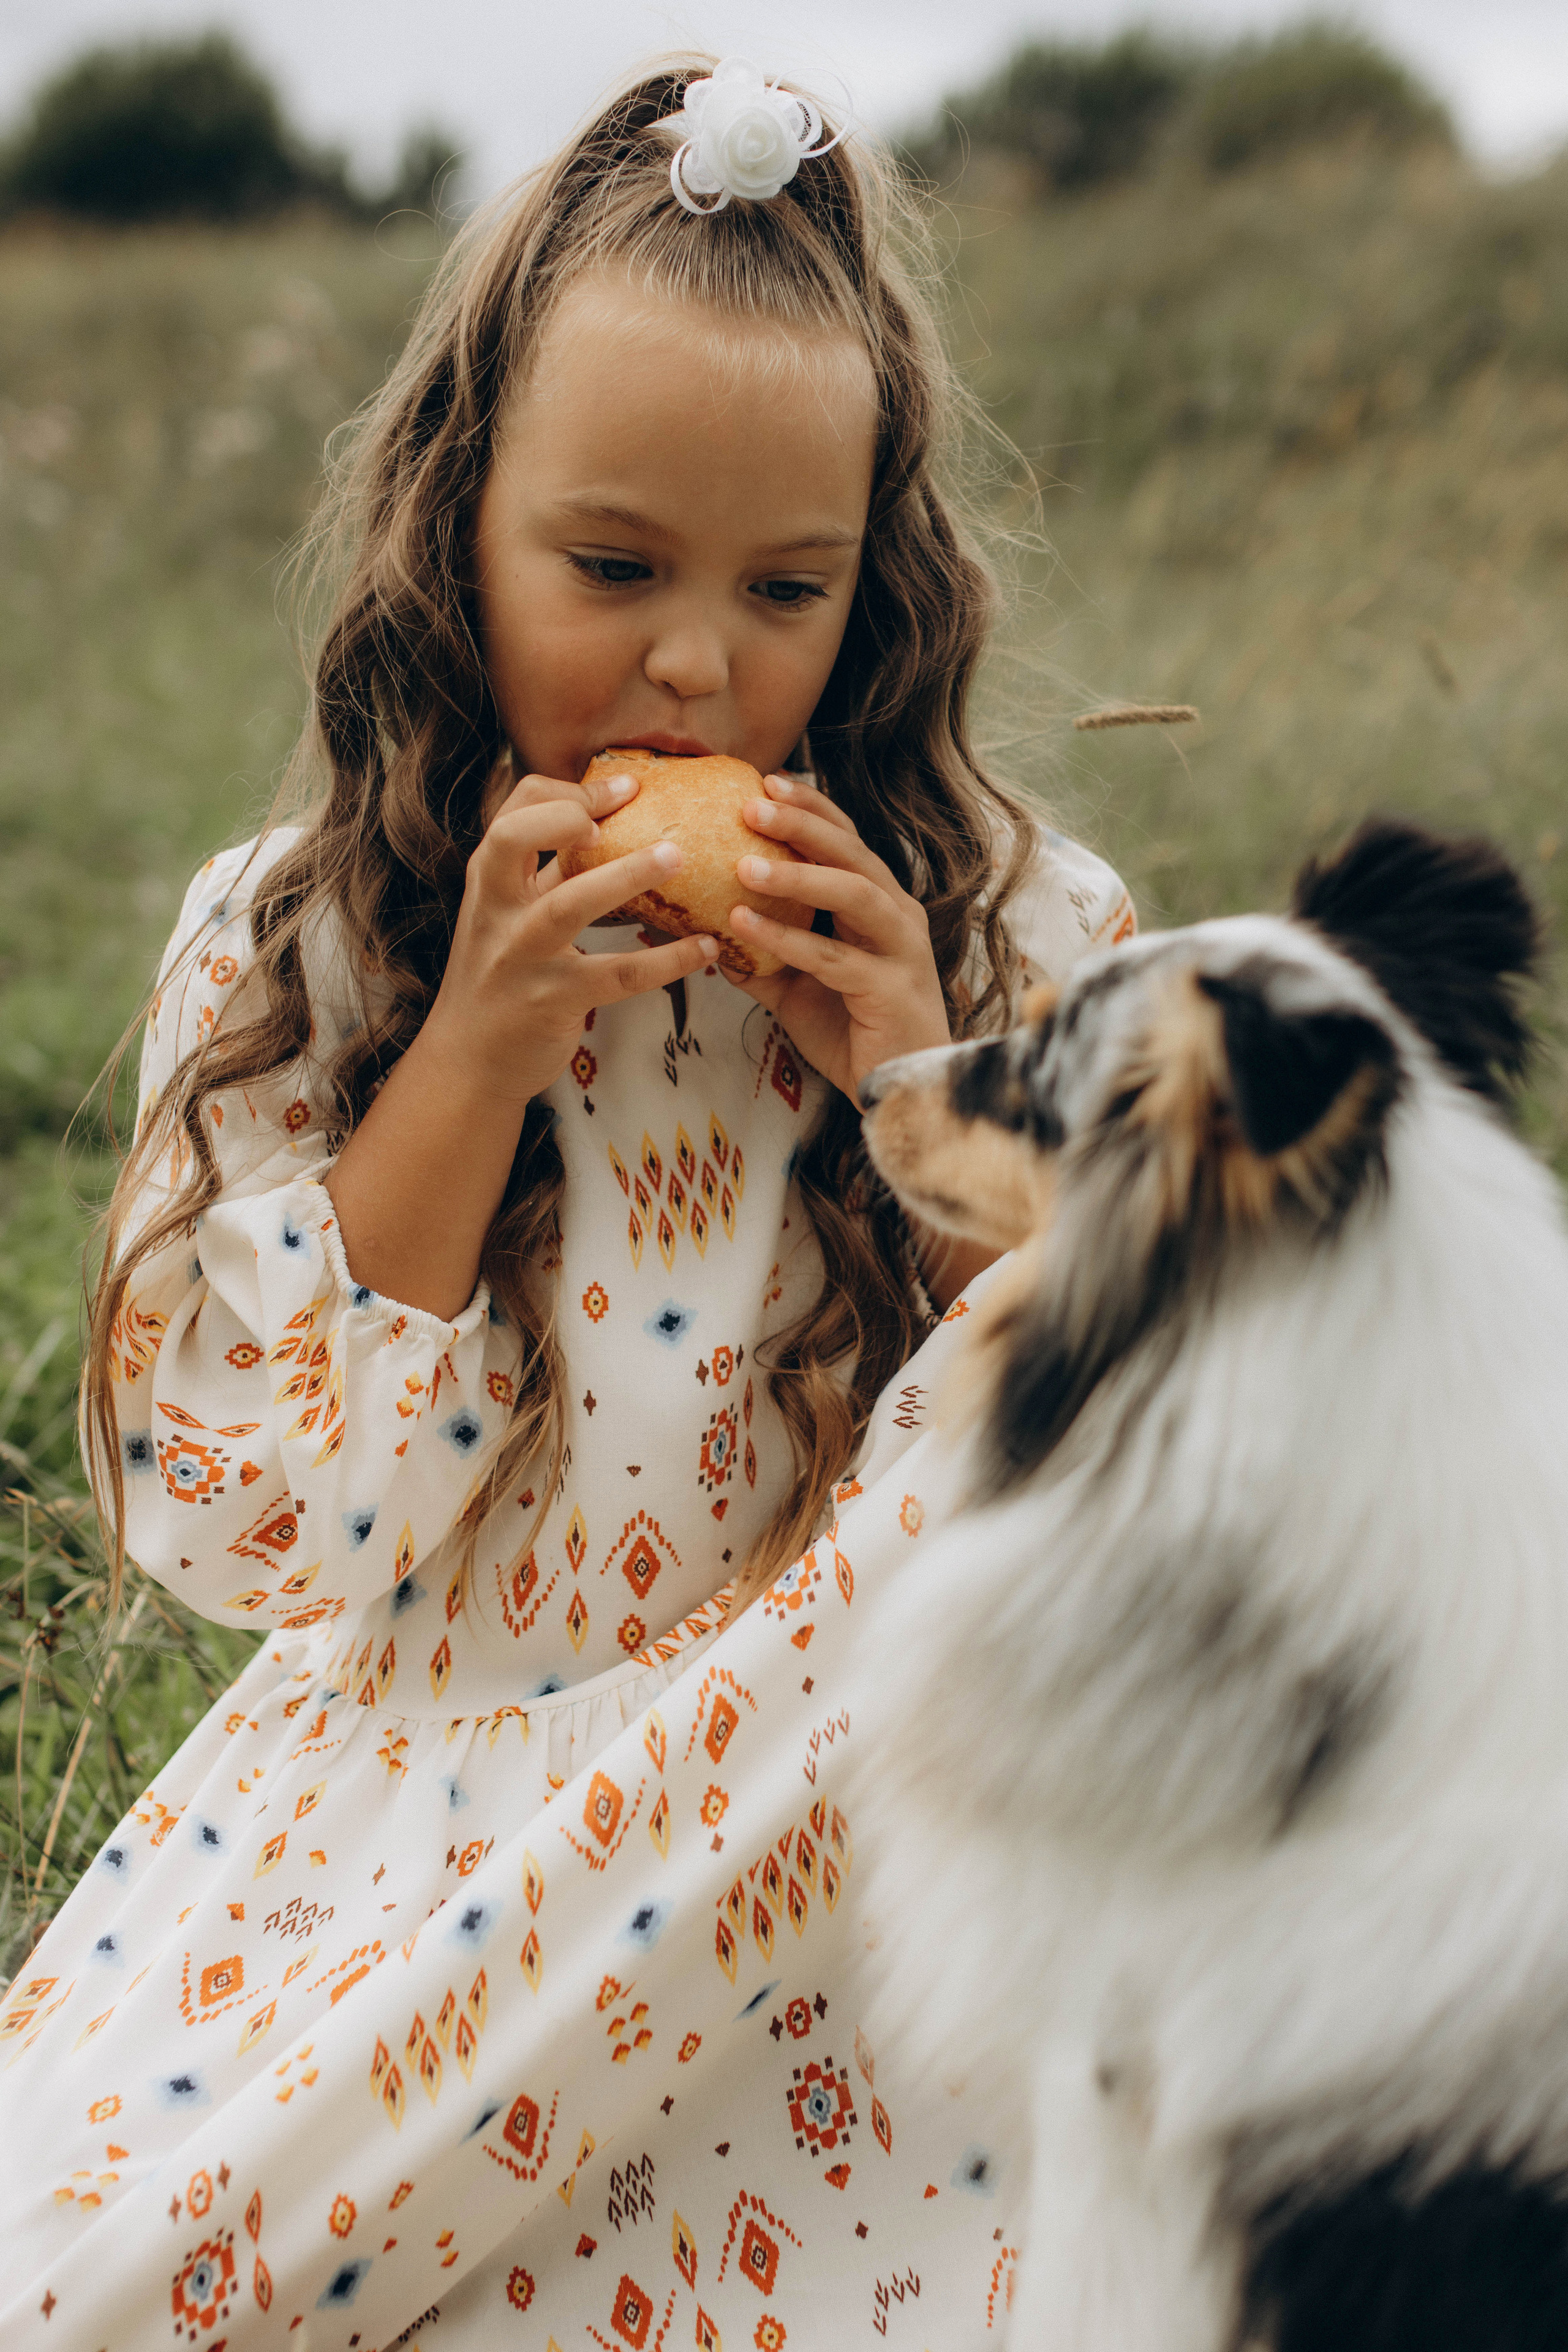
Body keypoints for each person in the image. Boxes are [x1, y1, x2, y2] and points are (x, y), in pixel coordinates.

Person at [0, 58, 1134, 2346]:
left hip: (834, 1833)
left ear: (876, 581)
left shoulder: (1016, 934)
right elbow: (259, 1529)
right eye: (612, 569)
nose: (700, 663)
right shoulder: (312, 939)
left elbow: (1117, 1453)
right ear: (460, 525)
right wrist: (477, 1056)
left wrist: (932, 1090)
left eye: (784, 588)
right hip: (442, 1821)